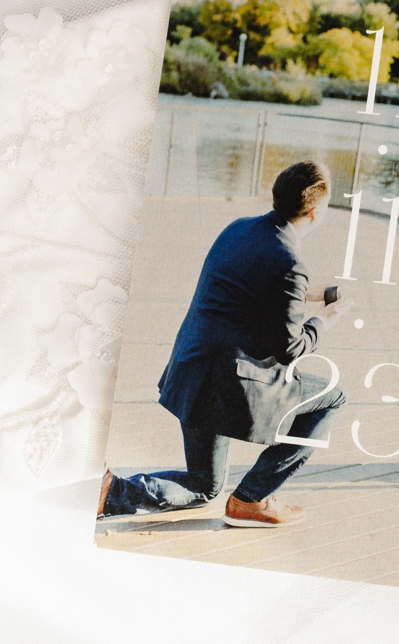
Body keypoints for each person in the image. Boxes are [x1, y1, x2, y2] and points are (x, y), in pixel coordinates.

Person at [97, 159, 345, 530]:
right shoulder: (289, 260)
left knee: (205, 488)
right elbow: (289, 349)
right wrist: (325, 319)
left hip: (192, 368)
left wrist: (319, 294)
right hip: (228, 384)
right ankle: (252, 498)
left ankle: (110, 493)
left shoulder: (239, 230)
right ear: (314, 212)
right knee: (332, 396)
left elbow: (260, 286)